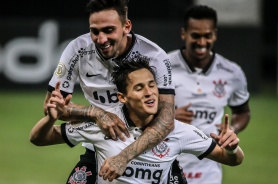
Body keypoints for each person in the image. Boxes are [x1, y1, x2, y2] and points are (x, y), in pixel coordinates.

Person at [31, 56, 244, 184]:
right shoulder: (105, 126)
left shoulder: (178, 131)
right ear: (122, 97)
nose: (150, 93)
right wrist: (51, 119)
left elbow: (231, 159)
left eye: (152, 85)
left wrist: (233, 147)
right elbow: (38, 138)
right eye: (139, 88)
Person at [43, 0, 175, 183]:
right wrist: (96, 113)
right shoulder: (77, 49)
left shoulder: (154, 57)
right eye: (95, 31)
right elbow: (52, 107)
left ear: (126, 26)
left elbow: (166, 120)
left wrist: (123, 157)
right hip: (100, 146)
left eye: (109, 30)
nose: (101, 39)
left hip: (150, 150)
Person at [168, 5, 251, 184]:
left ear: (215, 34)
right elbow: (141, 110)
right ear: (184, 33)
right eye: (196, 36)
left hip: (209, 166)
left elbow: (243, 112)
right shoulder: (163, 66)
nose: (202, 42)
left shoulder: (232, 72)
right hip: (168, 160)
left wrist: (232, 130)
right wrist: (169, 117)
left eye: (207, 35)